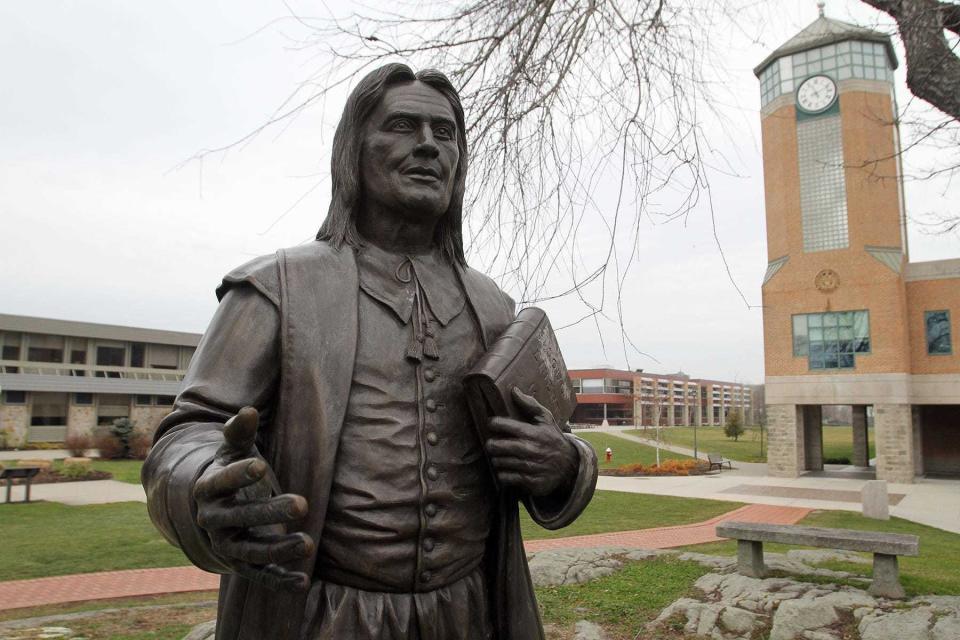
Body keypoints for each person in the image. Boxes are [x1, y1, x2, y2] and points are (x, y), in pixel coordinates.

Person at [142, 63, 597, 640]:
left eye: (445, 133)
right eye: (403, 126)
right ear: (352, 151)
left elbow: (551, 437)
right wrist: (206, 479)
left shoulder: (495, 308)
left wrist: (562, 463)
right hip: (323, 616)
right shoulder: (276, 289)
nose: (428, 146)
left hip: (471, 612)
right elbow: (188, 432)